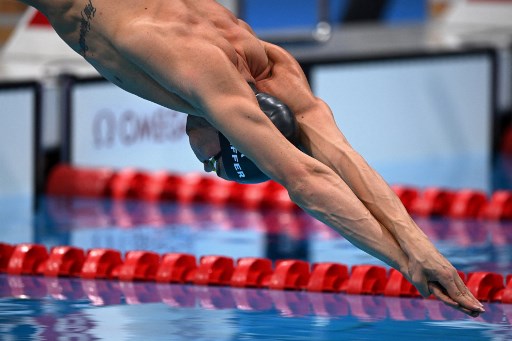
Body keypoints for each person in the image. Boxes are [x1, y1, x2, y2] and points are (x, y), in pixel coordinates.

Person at [18, 0, 484, 317]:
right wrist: (407, 264)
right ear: (232, 131)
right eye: (214, 162)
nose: (203, 165)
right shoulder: (204, 72)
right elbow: (304, 178)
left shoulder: (265, 60)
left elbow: (341, 156)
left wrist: (422, 248)